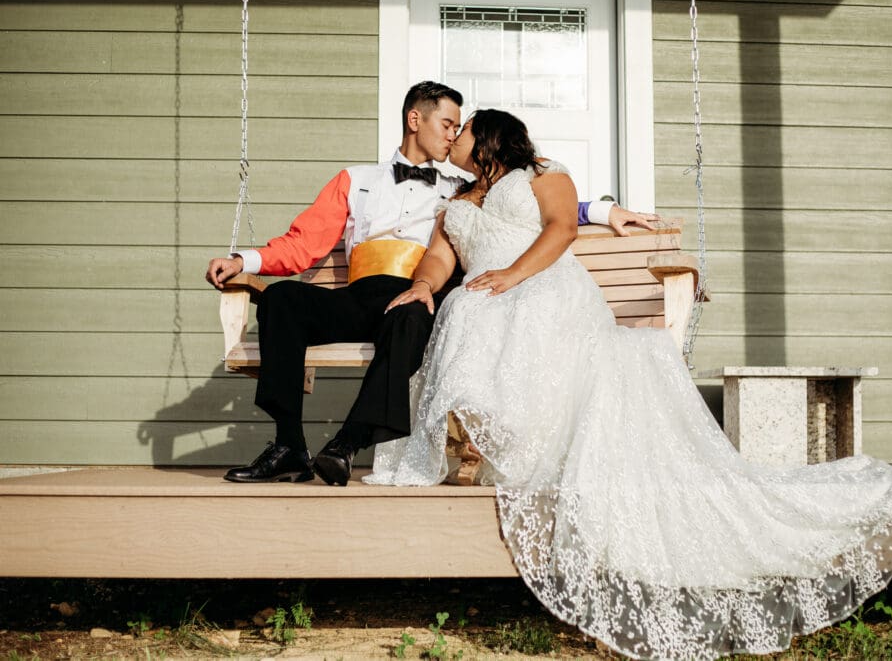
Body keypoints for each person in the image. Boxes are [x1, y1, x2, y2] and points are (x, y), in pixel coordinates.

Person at [364, 109, 892, 660]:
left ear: (488, 137)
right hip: (483, 297)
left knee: (506, 312)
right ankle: (488, 437)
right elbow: (439, 260)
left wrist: (514, 275)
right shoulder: (454, 202)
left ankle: (504, 436)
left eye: (463, 129)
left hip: (540, 285)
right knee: (464, 311)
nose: (454, 136)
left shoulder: (543, 174)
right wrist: (425, 286)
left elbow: (564, 229)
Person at [205, 81, 657, 486]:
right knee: (283, 298)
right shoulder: (356, 181)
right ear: (414, 119)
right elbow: (302, 244)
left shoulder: (464, 185)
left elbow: (530, 200)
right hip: (361, 294)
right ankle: (288, 445)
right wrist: (243, 259)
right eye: (447, 123)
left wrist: (601, 210)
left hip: (417, 298)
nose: (452, 134)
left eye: (460, 127)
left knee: (411, 314)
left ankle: (347, 444)